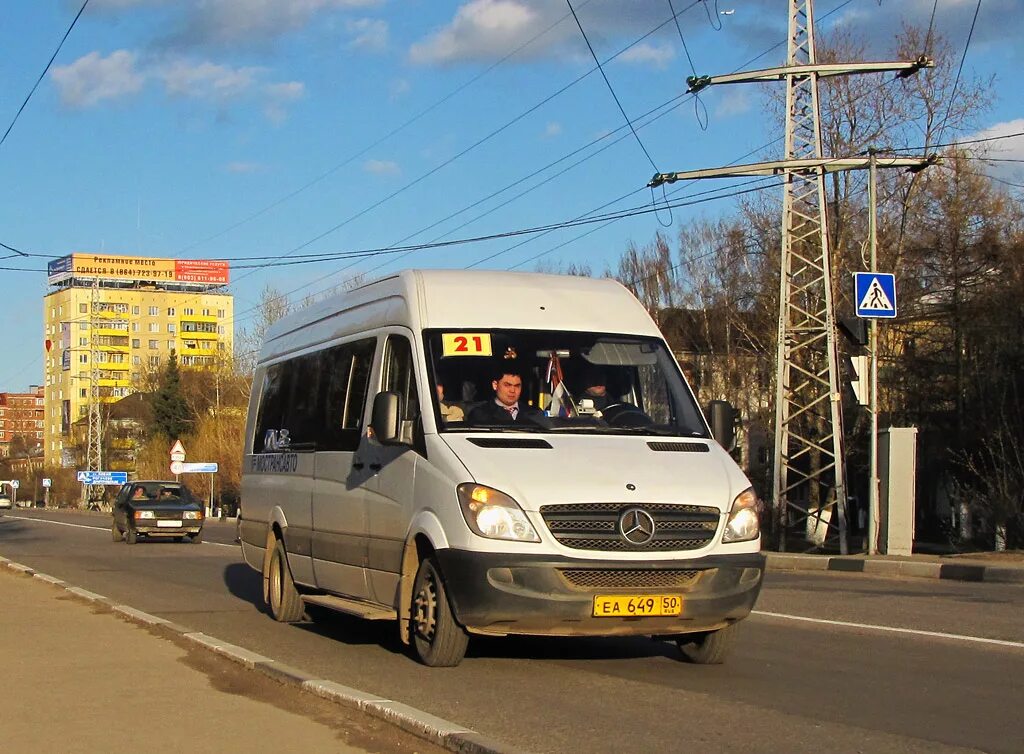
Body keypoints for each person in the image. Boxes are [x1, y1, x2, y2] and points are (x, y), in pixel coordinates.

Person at [467, 366, 541, 425]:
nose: (512, 390)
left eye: (517, 386)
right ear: (495, 385)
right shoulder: (480, 414)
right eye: (507, 385)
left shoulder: (534, 413)